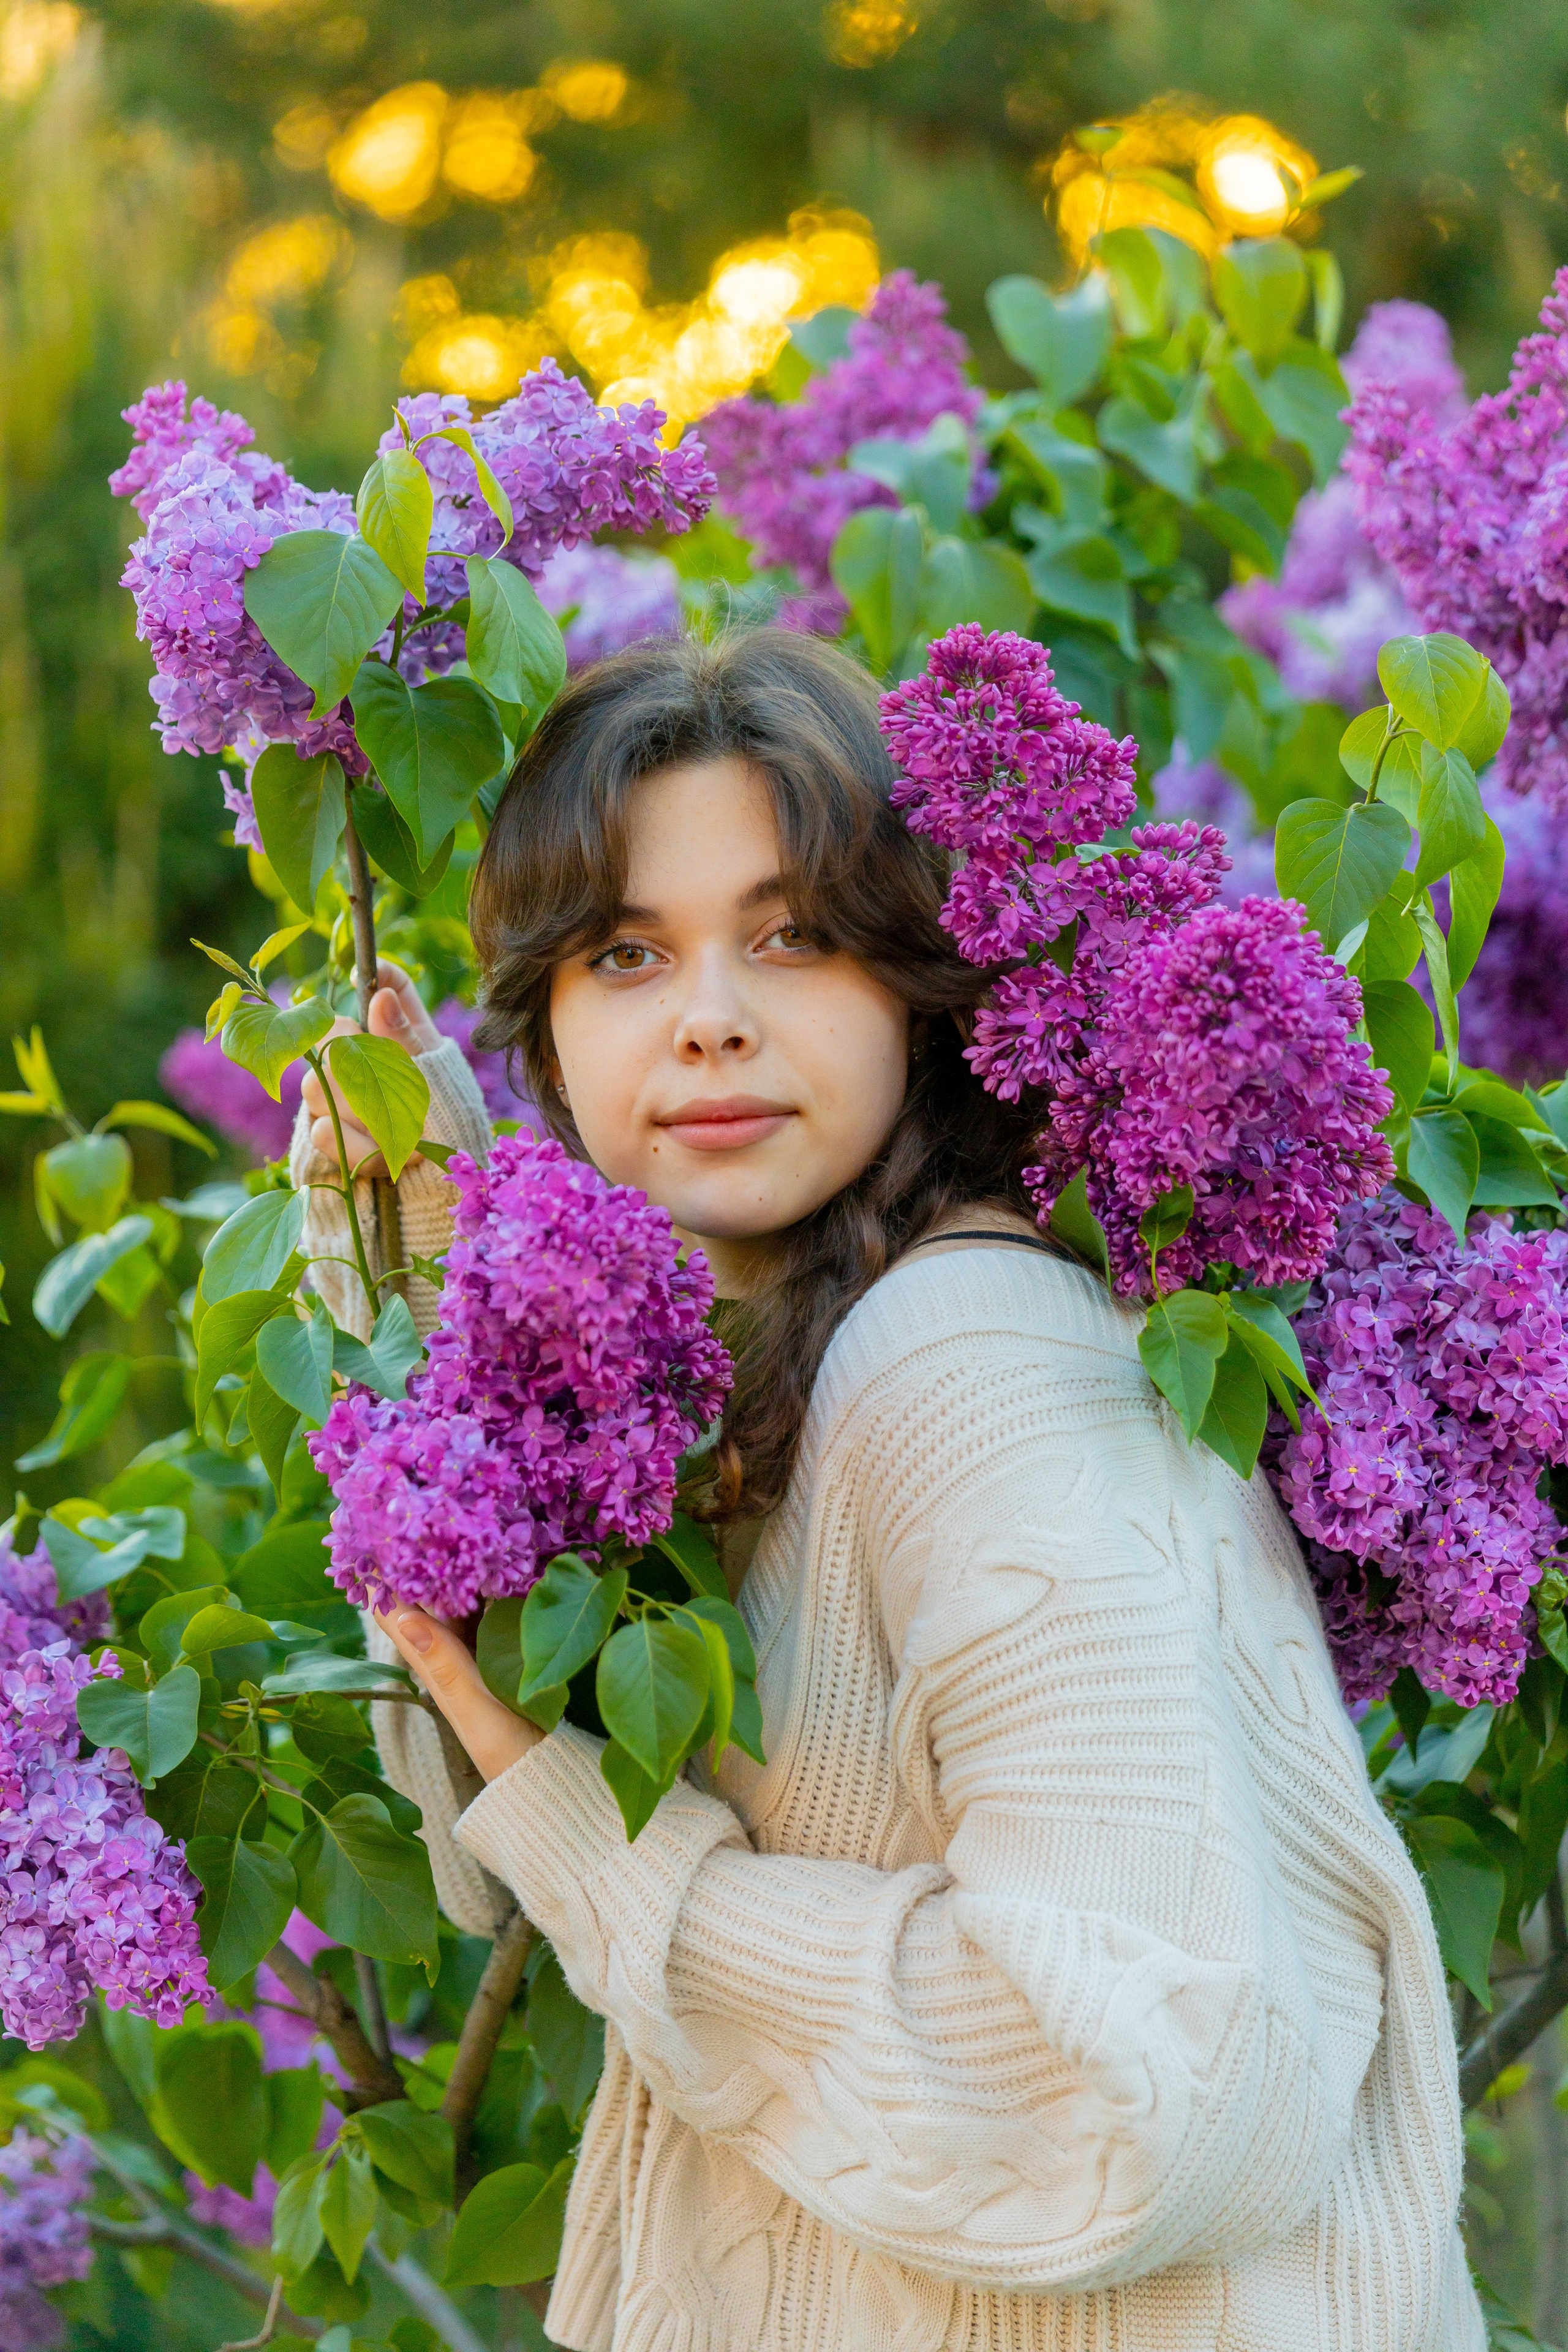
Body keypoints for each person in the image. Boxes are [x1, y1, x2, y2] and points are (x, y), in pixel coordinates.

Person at [293, 630, 1482, 2352]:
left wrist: (588, 1835)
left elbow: (1150, 2091)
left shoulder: (965, 1363)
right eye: (629, 953)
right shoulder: (748, 1358)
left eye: (794, 937)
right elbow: (474, 1874)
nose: (709, 1019)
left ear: (922, 990)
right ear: (548, 1029)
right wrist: (440, 1322)